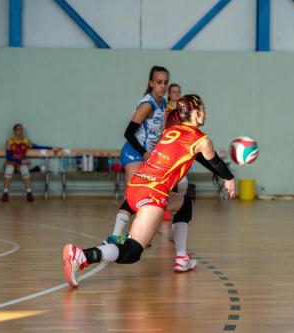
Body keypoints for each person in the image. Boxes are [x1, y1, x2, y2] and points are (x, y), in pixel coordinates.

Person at [63, 94, 236, 287]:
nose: (206, 112)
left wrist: (225, 175)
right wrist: (229, 178)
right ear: (195, 113)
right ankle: (81, 256)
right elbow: (214, 161)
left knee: (184, 204)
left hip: (137, 186)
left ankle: (182, 259)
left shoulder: (172, 131)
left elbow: (200, 158)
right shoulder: (201, 140)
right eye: (203, 109)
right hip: (153, 193)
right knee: (132, 252)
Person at [103, 66, 169, 245]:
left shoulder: (163, 103)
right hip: (134, 153)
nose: (162, 86)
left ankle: (139, 236)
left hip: (147, 155)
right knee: (133, 196)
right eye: (158, 82)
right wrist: (145, 153)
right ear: (151, 83)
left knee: (145, 196)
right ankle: (115, 236)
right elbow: (128, 133)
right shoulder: (147, 104)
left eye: (165, 83)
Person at [2, 123, 55, 202]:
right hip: (11, 162)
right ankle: (5, 194)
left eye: (21, 129)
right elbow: (9, 157)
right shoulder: (9, 141)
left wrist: (51, 148)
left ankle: (29, 193)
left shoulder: (25, 140)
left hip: (21, 164)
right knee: (9, 169)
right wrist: (21, 160)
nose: (20, 131)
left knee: (25, 169)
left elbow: (37, 147)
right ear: (14, 131)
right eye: (18, 129)